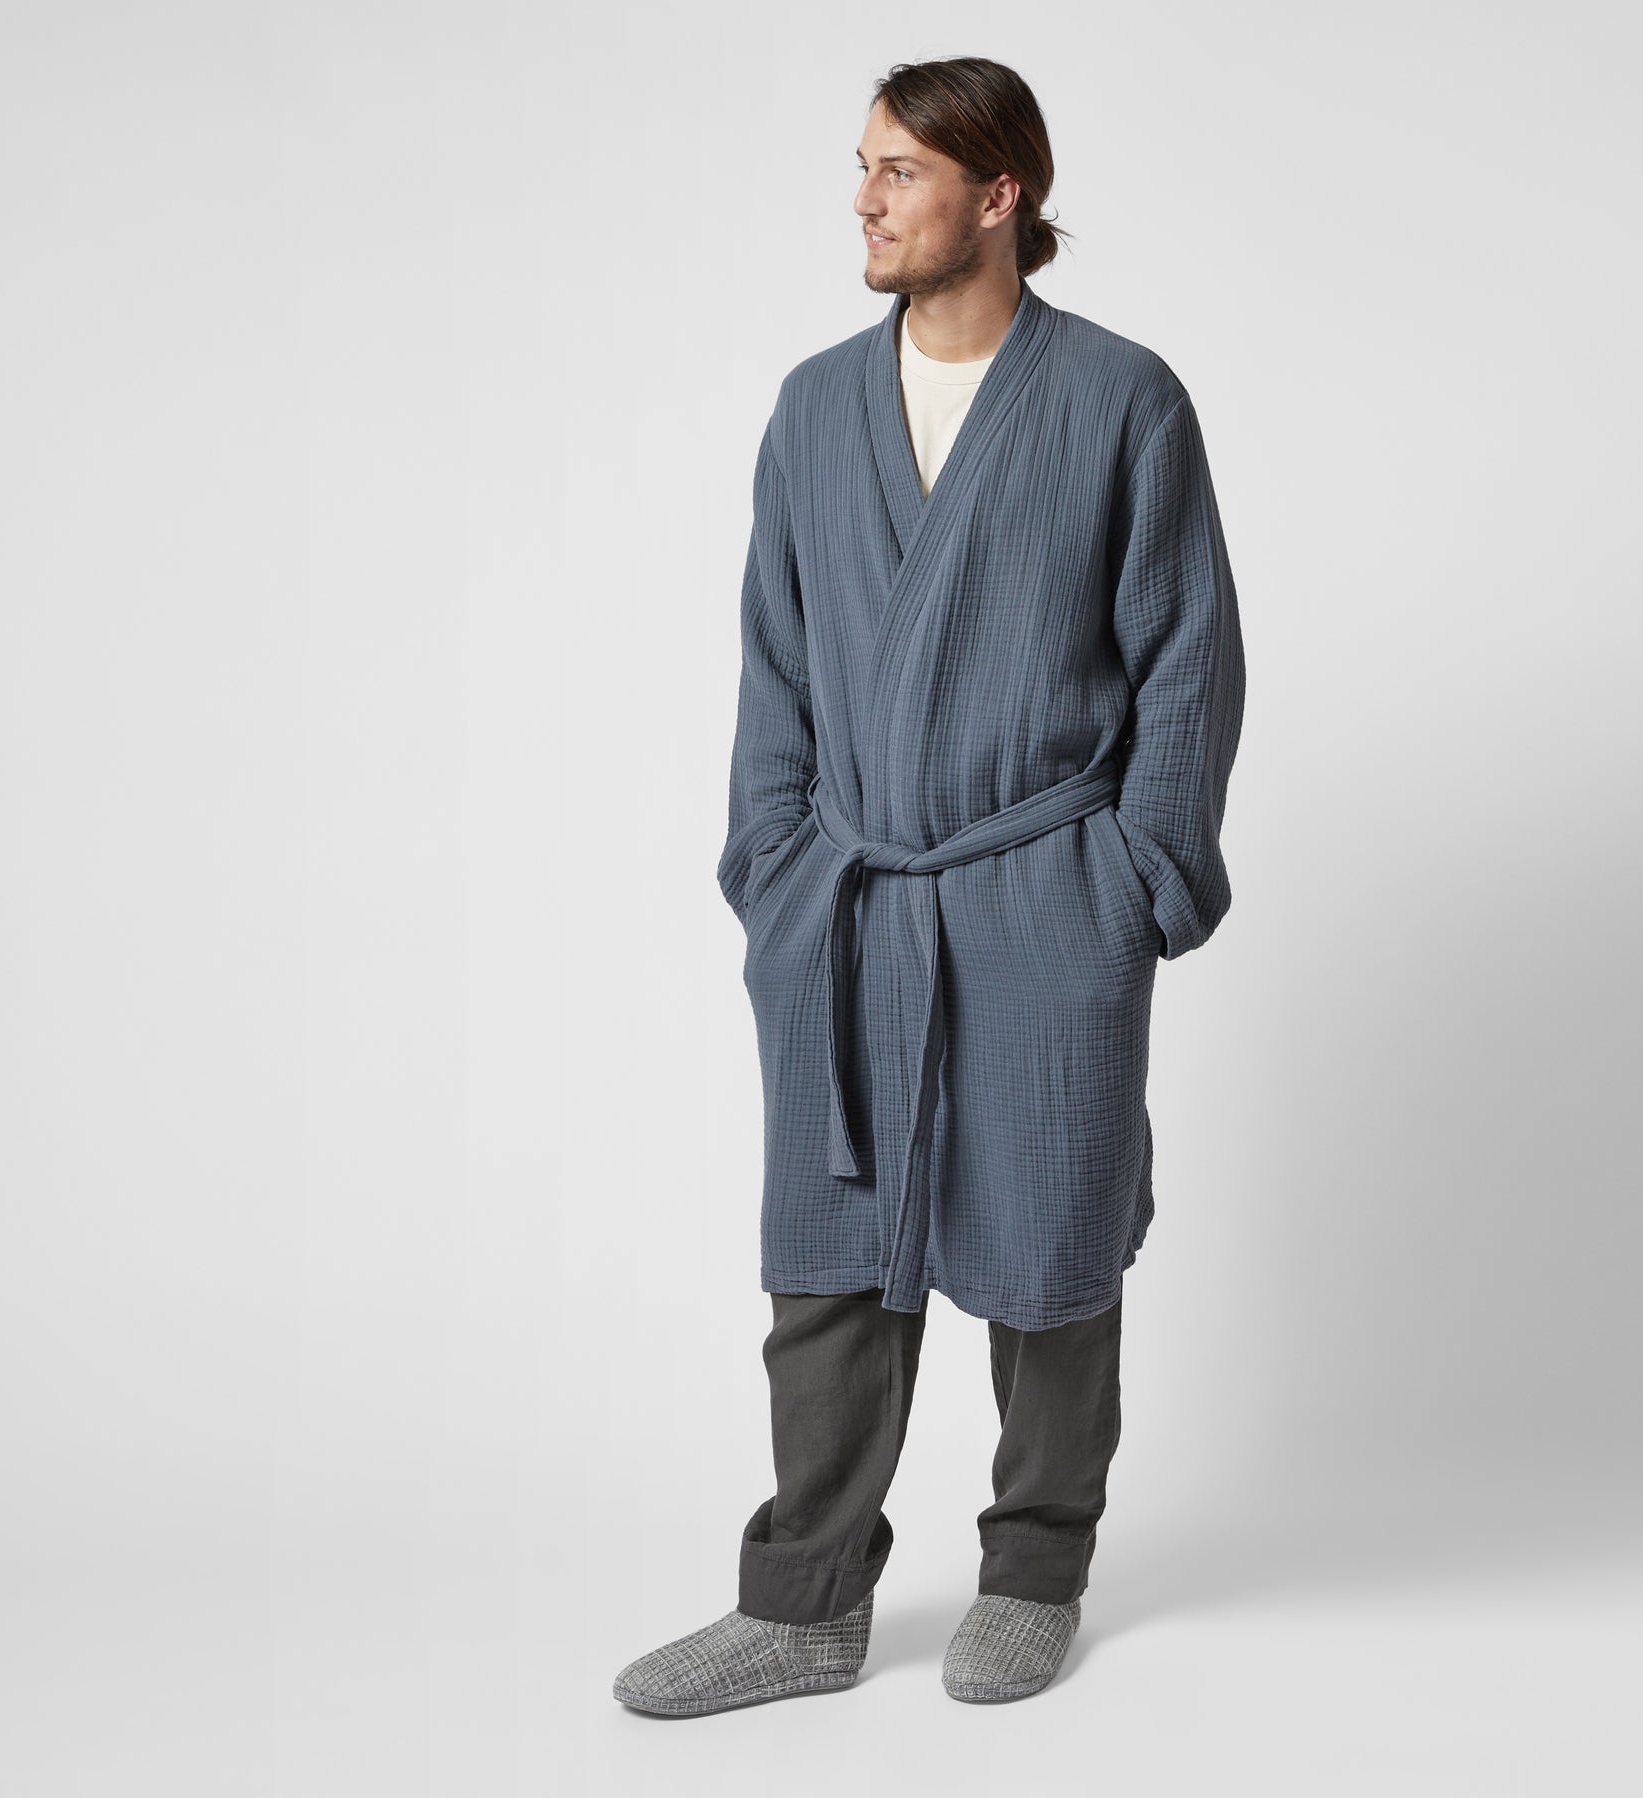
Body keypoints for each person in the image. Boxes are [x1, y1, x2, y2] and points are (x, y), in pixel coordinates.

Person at [614, 56, 1246, 1716]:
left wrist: (1133, 886)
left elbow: (1187, 661)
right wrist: (774, 868)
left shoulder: (1120, 401)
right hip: (850, 898)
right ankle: (805, 1605)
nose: (864, 199)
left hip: (1047, 889)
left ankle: (1035, 1570)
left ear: (998, 194)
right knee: (827, 1249)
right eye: (863, 165)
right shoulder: (814, 408)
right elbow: (775, 664)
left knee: (1051, 1244)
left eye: (899, 170)